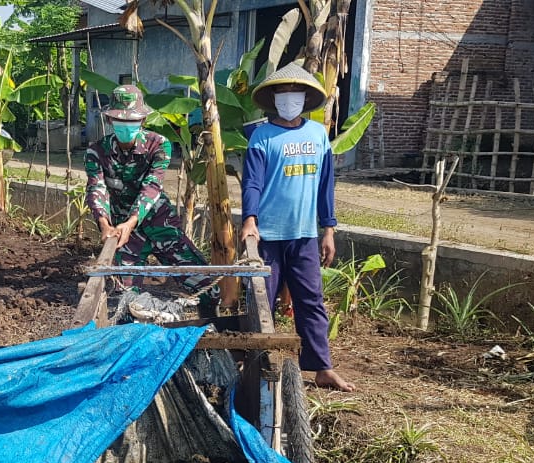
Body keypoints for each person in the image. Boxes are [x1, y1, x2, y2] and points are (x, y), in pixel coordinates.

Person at [241, 64, 356, 392]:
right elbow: (252, 183)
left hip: (304, 235)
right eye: (281, 92)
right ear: (274, 98)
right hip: (269, 237)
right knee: (261, 301)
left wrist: (329, 229)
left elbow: (325, 185)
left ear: (305, 97)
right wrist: (250, 220)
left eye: (294, 93)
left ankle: (322, 368)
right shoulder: (262, 136)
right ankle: (256, 364)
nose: (287, 98)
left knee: (311, 300)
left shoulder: (318, 134)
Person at [84, 85, 217, 302]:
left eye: (132, 122)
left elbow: (152, 186)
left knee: (206, 284)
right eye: (121, 121)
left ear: (143, 121)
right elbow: (96, 188)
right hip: (122, 231)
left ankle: (211, 321)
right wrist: (104, 224)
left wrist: (132, 221)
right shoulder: (97, 152)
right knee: (122, 295)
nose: (126, 127)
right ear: (109, 121)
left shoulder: (158, 145)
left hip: (159, 222)